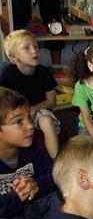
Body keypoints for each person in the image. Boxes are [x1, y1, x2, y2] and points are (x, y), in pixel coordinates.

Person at [0, 88, 59, 219]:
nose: (29, 126)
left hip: (29, 213)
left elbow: (54, 175)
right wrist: (18, 195)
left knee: (60, 197)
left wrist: (36, 185)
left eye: (29, 118)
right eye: (19, 121)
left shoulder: (31, 149)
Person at [0, 30, 60, 158]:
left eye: (36, 46)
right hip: (15, 113)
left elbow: (51, 101)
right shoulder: (6, 74)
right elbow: (5, 103)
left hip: (39, 110)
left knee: (47, 121)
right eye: (27, 48)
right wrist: (24, 114)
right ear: (14, 57)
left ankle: (56, 162)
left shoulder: (44, 72)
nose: (34, 51)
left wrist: (32, 110)